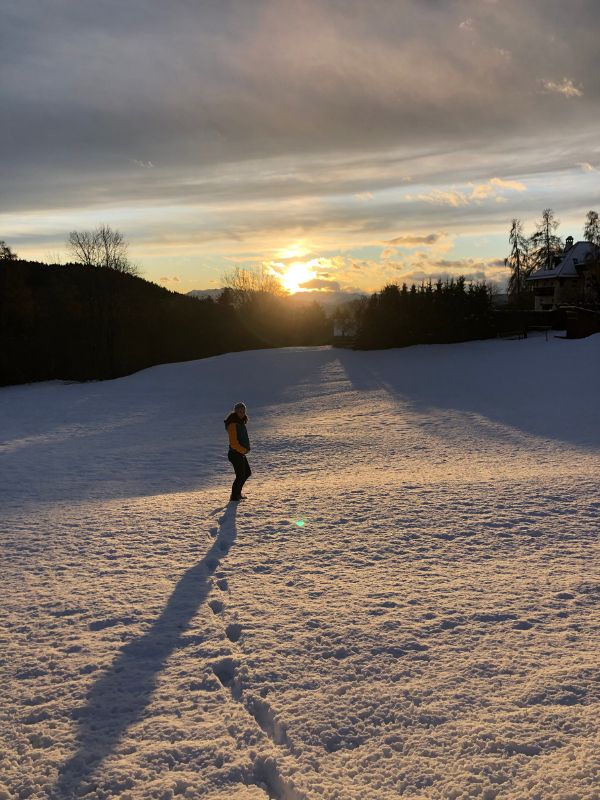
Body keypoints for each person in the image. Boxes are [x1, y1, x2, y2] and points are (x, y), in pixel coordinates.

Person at [224, 402, 251, 501]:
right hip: (235, 453)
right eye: (240, 411)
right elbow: (234, 443)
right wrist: (243, 450)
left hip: (240, 453)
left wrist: (244, 450)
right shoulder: (233, 424)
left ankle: (237, 494)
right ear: (235, 412)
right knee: (240, 476)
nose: (242, 413)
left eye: (243, 411)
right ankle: (234, 497)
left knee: (246, 473)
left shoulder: (240, 422)